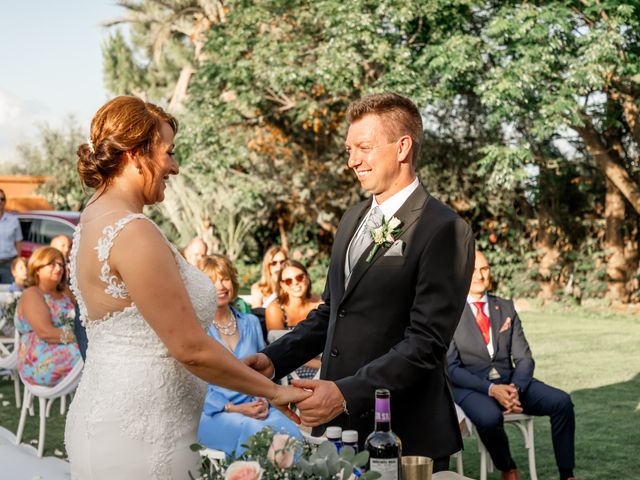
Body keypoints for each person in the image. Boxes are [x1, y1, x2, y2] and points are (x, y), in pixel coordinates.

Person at [64, 96, 309, 479]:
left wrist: (241, 371)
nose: (174, 167)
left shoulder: (93, 219)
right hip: (143, 437)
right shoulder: (133, 232)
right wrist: (273, 391)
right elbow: (190, 348)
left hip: (114, 418)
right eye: (168, 153)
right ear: (134, 154)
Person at [245, 92, 475, 470]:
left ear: (402, 147)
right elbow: (333, 313)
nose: (352, 160)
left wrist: (345, 393)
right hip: (338, 429)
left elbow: (426, 343)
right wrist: (273, 359)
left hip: (406, 432)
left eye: (364, 148)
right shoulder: (351, 219)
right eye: (349, 149)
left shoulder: (445, 229)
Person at [447, 250, 576, 480]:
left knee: (562, 402)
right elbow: (452, 368)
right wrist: (491, 390)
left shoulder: (505, 307)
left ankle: (567, 474)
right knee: (489, 418)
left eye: (484, 269)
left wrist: (515, 389)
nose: (480, 275)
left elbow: (524, 358)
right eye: (473, 270)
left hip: (512, 384)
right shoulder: (450, 313)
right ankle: (508, 467)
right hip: (472, 388)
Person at [196, 254, 302, 456]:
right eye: (212, 280)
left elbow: (261, 372)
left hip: (257, 407)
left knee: (289, 431)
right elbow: (194, 384)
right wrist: (234, 409)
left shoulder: (251, 322)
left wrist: (261, 401)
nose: (221, 286)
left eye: (225, 278)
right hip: (214, 412)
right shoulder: (198, 329)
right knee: (255, 433)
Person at [15, 247, 81, 387]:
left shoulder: (65, 292)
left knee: (97, 353)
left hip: (67, 346)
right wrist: (84, 337)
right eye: (52, 264)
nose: (59, 268)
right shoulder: (32, 294)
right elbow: (46, 332)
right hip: (39, 359)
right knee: (92, 354)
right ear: (38, 268)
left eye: (61, 264)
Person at [265, 259, 322, 378]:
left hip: (323, 365)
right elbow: (279, 350)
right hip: (291, 368)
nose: (295, 283)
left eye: (299, 277)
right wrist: (320, 364)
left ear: (307, 278)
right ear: (282, 285)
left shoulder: (319, 304)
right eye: (288, 281)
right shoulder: (276, 309)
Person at [0, 189, 23, 284]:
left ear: (5, 201)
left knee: (9, 295)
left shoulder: (13, 220)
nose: (0, 201)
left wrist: (17, 262)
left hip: (8, 265)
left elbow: (18, 242)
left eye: (2, 199)